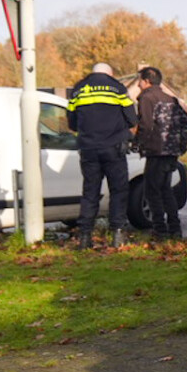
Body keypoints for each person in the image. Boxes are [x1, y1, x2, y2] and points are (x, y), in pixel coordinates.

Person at [67, 61, 136, 249]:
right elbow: (132, 118)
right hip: (113, 147)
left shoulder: (78, 89)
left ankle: (85, 237)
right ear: (110, 73)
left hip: (88, 148)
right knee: (118, 190)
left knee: (90, 192)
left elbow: (72, 123)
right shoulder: (117, 88)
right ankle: (117, 234)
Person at [133, 65, 187, 239]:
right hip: (171, 152)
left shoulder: (147, 98)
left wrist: (137, 144)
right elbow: (186, 122)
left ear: (147, 81)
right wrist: (180, 146)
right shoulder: (171, 99)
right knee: (166, 190)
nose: (138, 86)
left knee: (152, 191)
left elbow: (146, 125)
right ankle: (175, 227)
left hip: (156, 151)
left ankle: (159, 229)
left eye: (139, 81)